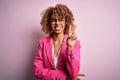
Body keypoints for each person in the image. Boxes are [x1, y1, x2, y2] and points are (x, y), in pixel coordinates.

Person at [34, 4, 83, 80]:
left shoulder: (75, 43)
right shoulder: (42, 43)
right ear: (49, 22)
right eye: (54, 20)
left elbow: (73, 74)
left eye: (61, 20)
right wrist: (62, 75)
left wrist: (70, 48)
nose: (57, 23)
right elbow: (37, 71)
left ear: (66, 22)